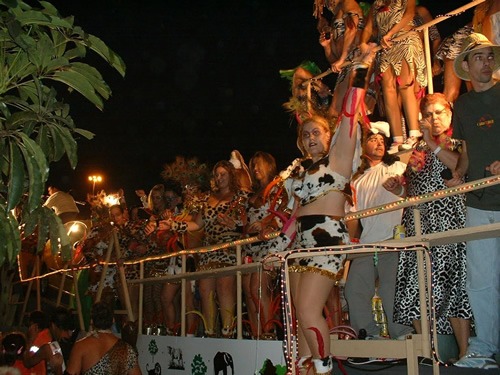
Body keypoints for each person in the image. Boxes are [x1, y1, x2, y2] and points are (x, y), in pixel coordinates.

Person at [285, 44, 376, 374]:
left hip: (327, 241)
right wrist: (276, 247)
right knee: (300, 314)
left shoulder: (339, 158)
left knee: (309, 310)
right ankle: (308, 365)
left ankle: (323, 369)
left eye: (317, 132)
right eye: (306, 134)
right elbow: (295, 216)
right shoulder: (302, 173)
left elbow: (351, 111)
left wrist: (361, 70)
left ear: (330, 135)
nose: (310, 138)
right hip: (302, 245)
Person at [384, 93, 473, 361]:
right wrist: (398, 188)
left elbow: (459, 166)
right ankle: (429, 350)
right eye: (429, 114)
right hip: (418, 224)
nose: (433, 119)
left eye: (438, 113)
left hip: (448, 222)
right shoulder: (418, 149)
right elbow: (413, 187)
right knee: (417, 285)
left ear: (449, 113)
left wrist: (433, 145)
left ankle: (465, 351)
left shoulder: (458, 140)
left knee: (453, 284)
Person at [447, 33, 500, 370]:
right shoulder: (462, 106)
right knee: (481, 280)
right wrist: (459, 176)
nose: (486, 62)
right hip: (479, 202)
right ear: (466, 66)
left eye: (489, 56)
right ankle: (483, 348)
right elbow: (465, 150)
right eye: (478, 57)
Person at [159, 160, 248, 337]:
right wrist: (174, 225)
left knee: (224, 287)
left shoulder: (241, 196)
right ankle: (210, 333)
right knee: (205, 290)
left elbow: (247, 222)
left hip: (228, 248)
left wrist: (235, 225)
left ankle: (228, 333)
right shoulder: (208, 199)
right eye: (216, 175)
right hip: (208, 251)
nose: (219, 178)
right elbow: (196, 224)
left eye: (223, 174)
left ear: (231, 175)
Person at [344, 121, 412, 340]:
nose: (379, 143)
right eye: (373, 139)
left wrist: (399, 187)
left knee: (391, 290)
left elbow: (410, 194)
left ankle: (402, 335)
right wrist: (350, 244)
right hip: (367, 242)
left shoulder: (397, 167)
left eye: (382, 140)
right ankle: (368, 335)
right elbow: (352, 216)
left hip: (393, 239)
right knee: (353, 289)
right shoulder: (357, 180)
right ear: (364, 147)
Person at [360, 0, 426, 154]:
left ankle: (414, 134)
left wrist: (390, 33)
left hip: (404, 38)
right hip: (385, 45)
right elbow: (368, 26)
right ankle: (397, 138)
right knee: (388, 89)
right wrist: (363, 43)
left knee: (405, 85)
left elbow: (409, 14)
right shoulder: (376, 4)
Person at [243, 151, 288, 339]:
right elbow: (245, 222)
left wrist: (267, 225)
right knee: (248, 292)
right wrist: (245, 228)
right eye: (252, 165)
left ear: (269, 165)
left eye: (258, 164)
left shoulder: (279, 187)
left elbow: (285, 212)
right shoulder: (251, 194)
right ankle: (257, 336)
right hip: (251, 246)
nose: (255, 169)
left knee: (258, 287)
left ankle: (269, 334)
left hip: (272, 244)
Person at [315, 0, 366, 119]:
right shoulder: (333, 21)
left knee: (353, 105)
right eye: (325, 2)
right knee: (335, 111)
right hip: (346, 65)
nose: (328, 3)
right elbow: (334, 62)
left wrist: (342, 59)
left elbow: (352, 28)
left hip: (358, 60)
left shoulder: (348, 3)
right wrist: (326, 46)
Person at [65, 301, 141, 375]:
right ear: (113, 320)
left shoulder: (81, 346)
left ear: (91, 321)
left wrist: (58, 367)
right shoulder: (127, 349)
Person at [23, 310, 53, 375]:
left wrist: (30, 340)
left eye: (29, 325)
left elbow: (27, 362)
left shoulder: (36, 341)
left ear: (35, 326)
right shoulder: (48, 335)